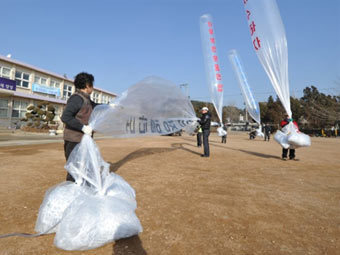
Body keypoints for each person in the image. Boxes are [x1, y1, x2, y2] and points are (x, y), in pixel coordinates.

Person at [61, 72, 99, 182]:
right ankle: (70, 194)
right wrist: (83, 127)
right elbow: (66, 117)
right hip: (74, 140)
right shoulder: (77, 99)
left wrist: (110, 106)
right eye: (92, 85)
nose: (93, 87)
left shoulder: (86, 99)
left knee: (83, 167)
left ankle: (80, 192)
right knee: (74, 169)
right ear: (87, 85)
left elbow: (96, 106)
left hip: (83, 140)